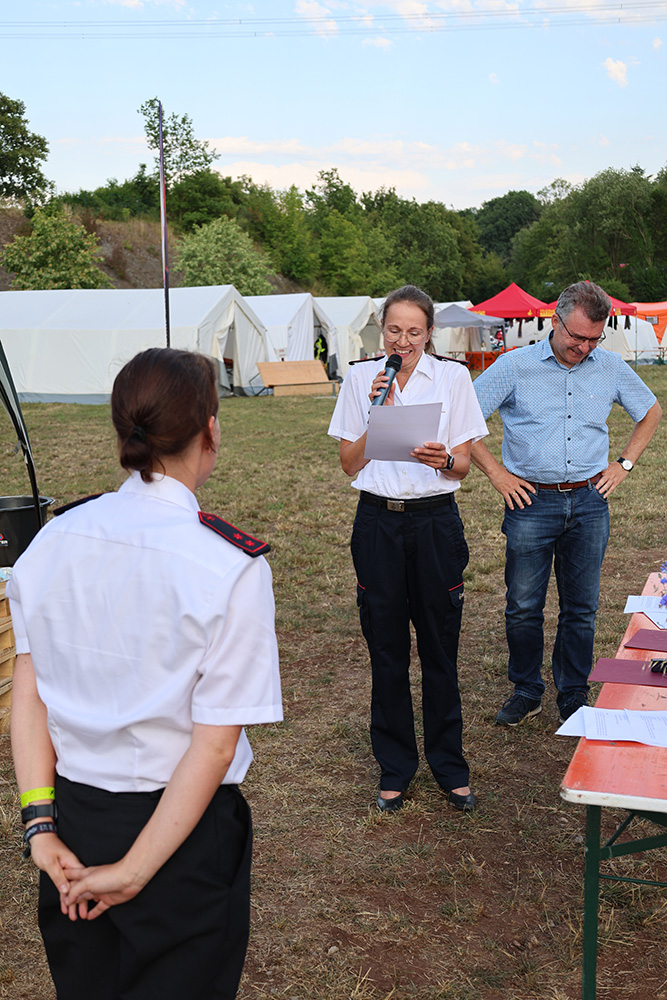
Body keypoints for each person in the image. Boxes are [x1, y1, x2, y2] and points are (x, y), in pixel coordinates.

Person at [8, 347, 282, 1000]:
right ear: (210, 430)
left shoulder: (53, 540)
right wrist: (134, 871)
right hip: (181, 842)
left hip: (72, 821)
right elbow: (213, 744)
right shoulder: (230, 567)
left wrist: (39, 825)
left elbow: (28, 691)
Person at [471, 280, 662, 727]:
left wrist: (624, 464)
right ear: (554, 322)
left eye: (594, 338)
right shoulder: (512, 366)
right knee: (523, 604)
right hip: (530, 502)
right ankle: (526, 689)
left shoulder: (610, 366)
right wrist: (498, 475)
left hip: (590, 500)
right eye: (576, 336)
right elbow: (464, 418)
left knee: (582, 606)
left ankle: (573, 694)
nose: (584, 346)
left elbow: (650, 411)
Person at [328, 285, 488, 813]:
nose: (403, 341)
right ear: (382, 331)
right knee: (387, 650)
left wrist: (442, 459)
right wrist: (378, 412)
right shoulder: (359, 378)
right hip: (378, 523)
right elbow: (350, 464)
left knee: (441, 648)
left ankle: (450, 766)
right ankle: (395, 768)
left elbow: (464, 465)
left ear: (429, 333)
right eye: (394, 331)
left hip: (435, 524)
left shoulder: (453, 377)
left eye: (414, 332)